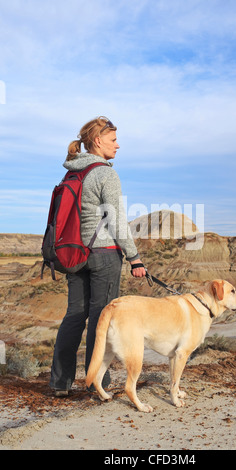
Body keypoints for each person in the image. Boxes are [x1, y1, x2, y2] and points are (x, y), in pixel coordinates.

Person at [50, 116, 146, 396]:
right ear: (97, 141)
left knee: (74, 317)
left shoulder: (71, 173)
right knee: (102, 319)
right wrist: (134, 257)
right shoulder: (105, 173)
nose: (118, 145)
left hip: (74, 254)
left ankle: (59, 383)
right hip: (103, 254)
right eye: (113, 140)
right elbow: (116, 221)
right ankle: (97, 383)